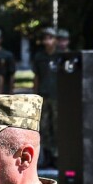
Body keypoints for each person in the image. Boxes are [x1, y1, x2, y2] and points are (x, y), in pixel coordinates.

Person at [32, 27, 61, 168]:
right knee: (44, 127)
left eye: (50, 38)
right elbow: (36, 77)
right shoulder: (39, 57)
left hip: (58, 97)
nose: (47, 41)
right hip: (44, 96)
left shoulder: (61, 56)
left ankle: (57, 157)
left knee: (57, 127)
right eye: (45, 38)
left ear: (56, 40)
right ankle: (47, 156)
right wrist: (35, 95)